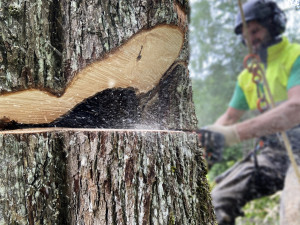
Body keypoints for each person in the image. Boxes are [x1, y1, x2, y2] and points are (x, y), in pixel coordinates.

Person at [203, 0, 300, 224]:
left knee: (294, 214)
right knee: (214, 201)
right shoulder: (248, 75)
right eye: (246, 35)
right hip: (271, 154)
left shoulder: (295, 56)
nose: (250, 39)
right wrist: (209, 137)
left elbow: (296, 108)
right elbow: (228, 118)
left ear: (273, 24)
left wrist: (234, 134)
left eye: (255, 31)